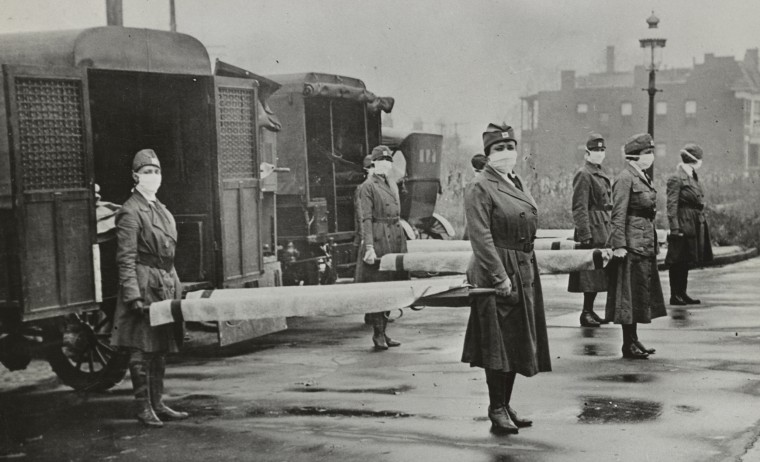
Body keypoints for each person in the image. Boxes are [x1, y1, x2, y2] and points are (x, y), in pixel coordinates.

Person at [462, 123, 551, 434]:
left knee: (515, 340)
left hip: (522, 264)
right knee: (496, 344)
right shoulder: (480, 186)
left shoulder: (514, 181)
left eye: (510, 147)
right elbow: (481, 236)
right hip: (496, 268)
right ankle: (495, 406)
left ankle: (506, 402)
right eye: (499, 149)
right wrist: (500, 277)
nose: (507, 153)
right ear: (487, 154)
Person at [111, 149, 188, 427]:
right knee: (141, 348)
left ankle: (158, 403)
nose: (152, 177)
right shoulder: (130, 211)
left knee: (160, 346)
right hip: (144, 284)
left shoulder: (162, 210)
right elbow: (126, 258)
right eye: (146, 172)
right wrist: (132, 295)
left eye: (156, 171)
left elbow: (168, 254)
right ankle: (143, 407)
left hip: (164, 282)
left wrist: (176, 287)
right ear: (135, 176)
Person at [605, 134, 667, 359]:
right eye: (647, 153)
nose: (650, 157)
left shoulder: (640, 176)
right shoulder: (625, 178)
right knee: (628, 296)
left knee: (637, 295)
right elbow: (618, 213)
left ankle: (633, 340)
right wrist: (619, 244)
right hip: (631, 244)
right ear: (635, 156)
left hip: (643, 243)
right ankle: (627, 343)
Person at [355, 146, 408, 350]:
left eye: (388, 159)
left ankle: (384, 332)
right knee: (380, 287)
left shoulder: (391, 183)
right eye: (381, 160)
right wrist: (369, 246)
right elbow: (365, 219)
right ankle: (378, 334)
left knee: (392, 286)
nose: (386, 163)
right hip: (378, 238)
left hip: (394, 236)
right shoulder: (367, 187)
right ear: (374, 163)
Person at [568, 133, 612, 327]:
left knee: (597, 273)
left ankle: (590, 311)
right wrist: (585, 233)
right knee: (589, 274)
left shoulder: (599, 173)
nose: (599, 153)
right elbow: (579, 206)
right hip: (592, 227)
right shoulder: (584, 174)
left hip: (603, 225)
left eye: (602, 150)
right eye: (595, 150)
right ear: (587, 153)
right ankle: (586, 312)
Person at [665, 143, 713, 305]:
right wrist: (675, 227)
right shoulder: (676, 178)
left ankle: (682, 293)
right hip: (683, 220)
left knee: (685, 259)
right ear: (693, 160)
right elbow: (671, 205)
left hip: (693, 221)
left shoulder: (691, 175)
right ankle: (675, 294)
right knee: (678, 259)